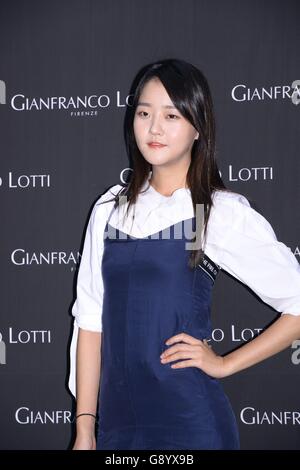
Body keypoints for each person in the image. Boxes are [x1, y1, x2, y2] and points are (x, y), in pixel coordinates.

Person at [68, 58, 300, 450]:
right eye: (144, 113)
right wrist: (85, 429)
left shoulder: (214, 211)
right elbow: (90, 323)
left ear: (198, 127)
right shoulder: (109, 209)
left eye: (171, 115)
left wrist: (224, 363)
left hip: (193, 425)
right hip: (116, 428)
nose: (154, 128)